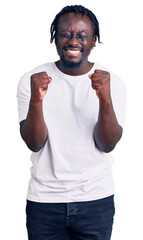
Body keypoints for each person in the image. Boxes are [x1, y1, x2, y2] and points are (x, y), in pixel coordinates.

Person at [17, 5, 126, 240]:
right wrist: (37, 98)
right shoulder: (32, 80)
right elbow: (34, 143)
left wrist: (104, 97)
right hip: (44, 200)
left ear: (94, 41)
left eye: (82, 35)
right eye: (65, 33)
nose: (73, 41)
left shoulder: (112, 82)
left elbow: (107, 144)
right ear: (55, 37)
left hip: (96, 200)